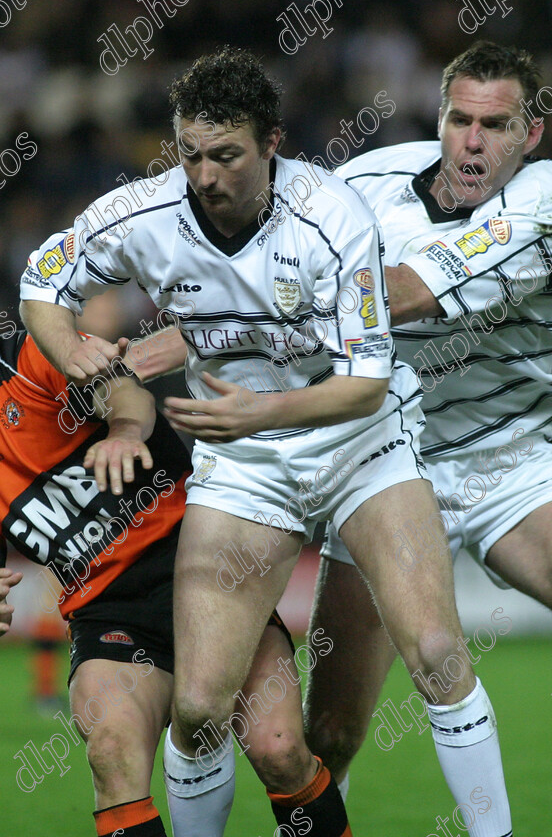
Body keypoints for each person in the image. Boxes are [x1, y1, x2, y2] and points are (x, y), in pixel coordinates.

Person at [20, 46, 513, 836]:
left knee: (435, 651)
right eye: (190, 155)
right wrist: (71, 346)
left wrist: (258, 413)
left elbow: (368, 382)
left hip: (360, 447)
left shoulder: (332, 218)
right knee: (202, 707)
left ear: (272, 143)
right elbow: (42, 284)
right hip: (245, 469)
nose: (205, 176)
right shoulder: (143, 214)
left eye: (226, 156)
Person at [304, 39, 552, 822]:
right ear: (439, 117)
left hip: (509, 458)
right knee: (332, 731)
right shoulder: (366, 181)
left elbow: (410, 293)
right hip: (382, 461)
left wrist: (297, 298)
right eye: (460, 119)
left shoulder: (545, 202)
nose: (474, 141)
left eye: (497, 124)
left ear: (532, 134)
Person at [0, 328, 318, 837]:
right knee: (111, 751)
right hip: (106, 610)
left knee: (280, 751)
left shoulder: (30, 353)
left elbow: (125, 391)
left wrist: (124, 430)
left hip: (198, 562)